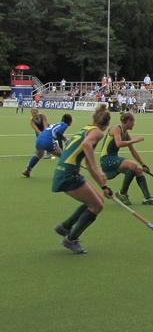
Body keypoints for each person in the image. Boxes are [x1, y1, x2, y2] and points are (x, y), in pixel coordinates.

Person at [51, 105, 112, 254]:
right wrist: (98, 170)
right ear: (106, 124)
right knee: (96, 206)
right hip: (68, 174)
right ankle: (70, 239)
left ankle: (65, 227)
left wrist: (103, 186)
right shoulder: (97, 132)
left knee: (98, 200)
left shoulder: (86, 129)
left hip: (65, 171)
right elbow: (86, 146)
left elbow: (88, 165)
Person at [100, 112, 153, 206]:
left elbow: (133, 151)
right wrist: (135, 140)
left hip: (113, 158)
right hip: (106, 159)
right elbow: (119, 143)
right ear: (128, 121)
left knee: (138, 169)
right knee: (132, 165)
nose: (134, 124)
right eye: (133, 122)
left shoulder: (125, 133)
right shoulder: (116, 129)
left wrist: (143, 164)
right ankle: (122, 193)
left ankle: (147, 198)